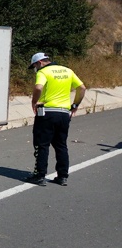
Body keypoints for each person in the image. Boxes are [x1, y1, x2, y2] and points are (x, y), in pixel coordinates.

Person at [26, 52, 86, 186]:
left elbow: (38, 87)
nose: (35, 69)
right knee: (61, 145)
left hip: (46, 112)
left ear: (39, 63)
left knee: (42, 144)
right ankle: (62, 176)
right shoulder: (68, 71)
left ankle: (39, 175)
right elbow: (82, 88)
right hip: (64, 113)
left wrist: (34, 101)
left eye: (35, 66)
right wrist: (75, 105)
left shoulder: (43, 72)